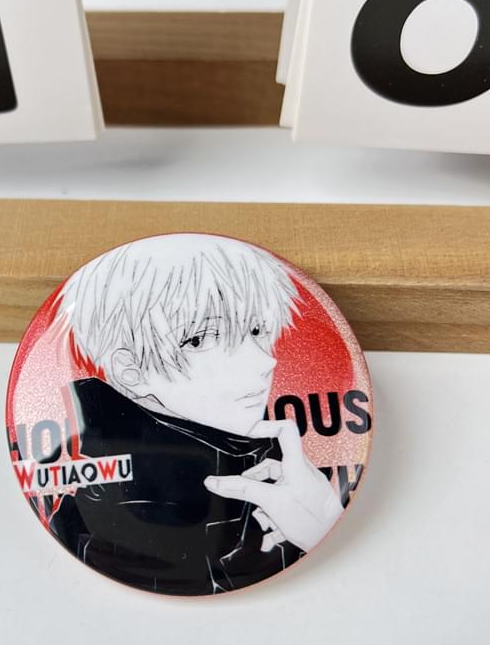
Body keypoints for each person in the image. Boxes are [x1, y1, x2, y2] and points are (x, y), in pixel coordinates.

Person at [42, 234, 343, 595]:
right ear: (130, 371)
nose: (265, 361)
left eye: (256, 330)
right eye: (200, 339)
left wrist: (322, 522)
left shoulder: (272, 464)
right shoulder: (113, 519)